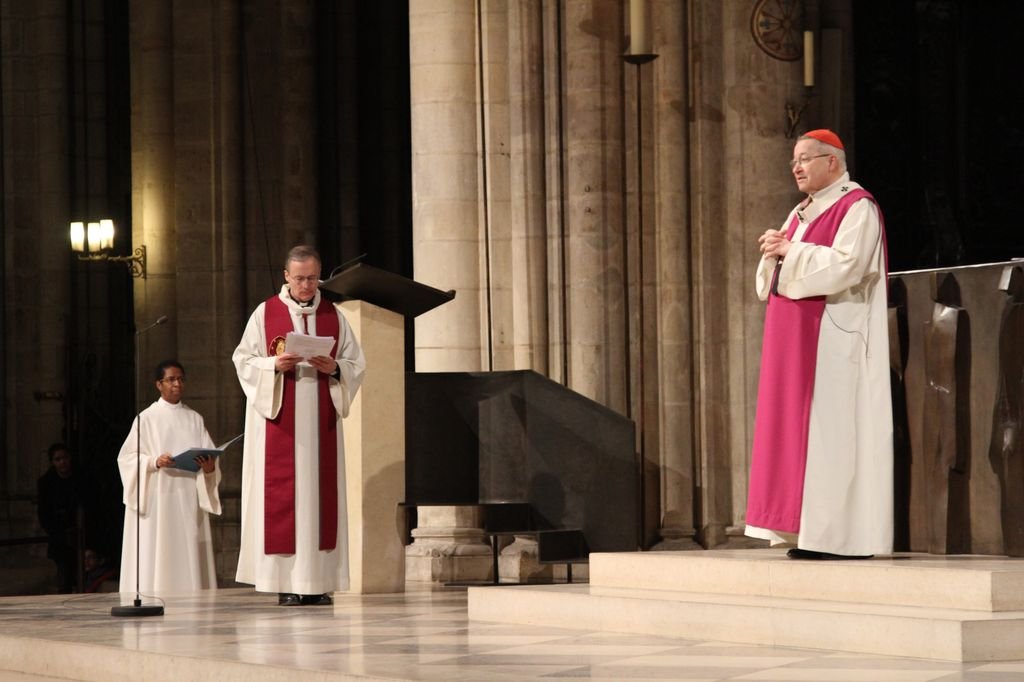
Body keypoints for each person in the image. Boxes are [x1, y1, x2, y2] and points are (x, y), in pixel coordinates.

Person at [745, 129, 893, 559]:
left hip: (833, 339)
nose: (797, 167)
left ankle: (838, 537)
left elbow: (847, 266)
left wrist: (791, 251)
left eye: (806, 158)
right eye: (795, 160)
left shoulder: (857, 206)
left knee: (831, 434)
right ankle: (803, 531)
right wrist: (775, 250)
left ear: (833, 162)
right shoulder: (800, 212)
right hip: (793, 339)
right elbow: (771, 277)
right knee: (792, 433)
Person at [233, 245, 365, 606]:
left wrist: (335, 369)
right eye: (300, 278)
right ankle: (287, 583)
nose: (307, 285)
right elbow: (243, 360)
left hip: (320, 422)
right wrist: (273, 366)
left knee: (319, 501)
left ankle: (319, 583)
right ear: (286, 276)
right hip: (281, 422)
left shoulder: (334, 316)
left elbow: (356, 363)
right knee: (284, 500)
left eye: (312, 278)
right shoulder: (265, 313)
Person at [117, 360, 221, 593]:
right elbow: (126, 459)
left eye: (181, 379)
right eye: (171, 379)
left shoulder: (194, 418)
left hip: (187, 496)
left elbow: (209, 454)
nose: (177, 384)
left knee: (186, 546)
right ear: (158, 384)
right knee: (159, 547)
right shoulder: (146, 418)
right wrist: (154, 461)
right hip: (159, 497)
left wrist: (209, 467)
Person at [37, 443, 83, 593]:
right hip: (60, 536)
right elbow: (44, 513)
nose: (62, 462)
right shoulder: (47, 483)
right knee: (64, 578)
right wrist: (57, 532)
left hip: (81, 533)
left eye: (64, 458)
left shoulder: (81, 478)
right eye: (57, 459)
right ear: (53, 462)